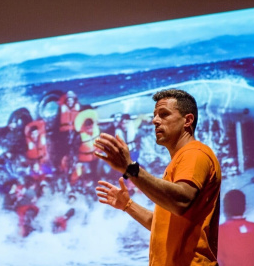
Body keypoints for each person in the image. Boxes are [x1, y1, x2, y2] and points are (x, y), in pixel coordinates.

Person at [94, 89, 221, 265]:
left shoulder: (194, 154)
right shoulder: (179, 160)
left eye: (164, 114)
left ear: (188, 120)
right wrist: (128, 205)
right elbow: (162, 225)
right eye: (155, 115)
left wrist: (130, 168)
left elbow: (181, 202)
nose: (155, 120)